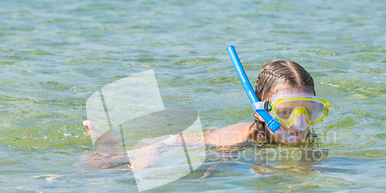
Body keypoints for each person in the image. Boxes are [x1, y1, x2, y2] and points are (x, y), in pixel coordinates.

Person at [82, 60, 328, 168]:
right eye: (285, 112)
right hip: (175, 142)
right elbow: (178, 140)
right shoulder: (238, 142)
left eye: (308, 112)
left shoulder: (307, 141)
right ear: (262, 111)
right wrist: (150, 151)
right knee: (111, 167)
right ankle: (108, 147)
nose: (299, 124)